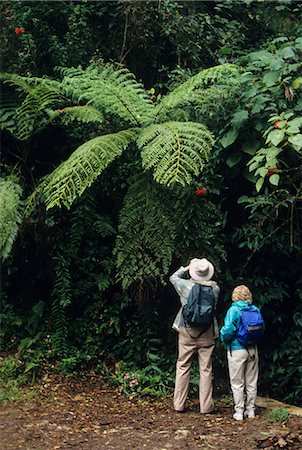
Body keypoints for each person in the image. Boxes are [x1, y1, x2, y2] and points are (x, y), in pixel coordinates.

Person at [170, 258, 220, 414]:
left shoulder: (185, 286)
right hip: (206, 332)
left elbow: (173, 278)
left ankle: (179, 404)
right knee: (206, 369)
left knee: (183, 366)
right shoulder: (215, 289)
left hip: (187, 331)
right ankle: (205, 407)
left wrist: (186, 267)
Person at [220, 285, 261, 421]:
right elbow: (262, 329)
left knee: (237, 383)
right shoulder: (255, 310)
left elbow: (228, 330)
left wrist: (224, 340)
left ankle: (239, 411)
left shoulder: (233, 310)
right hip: (252, 350)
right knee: (251, 382)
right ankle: (251, 411)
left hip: (237, 350)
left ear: (234, 296)